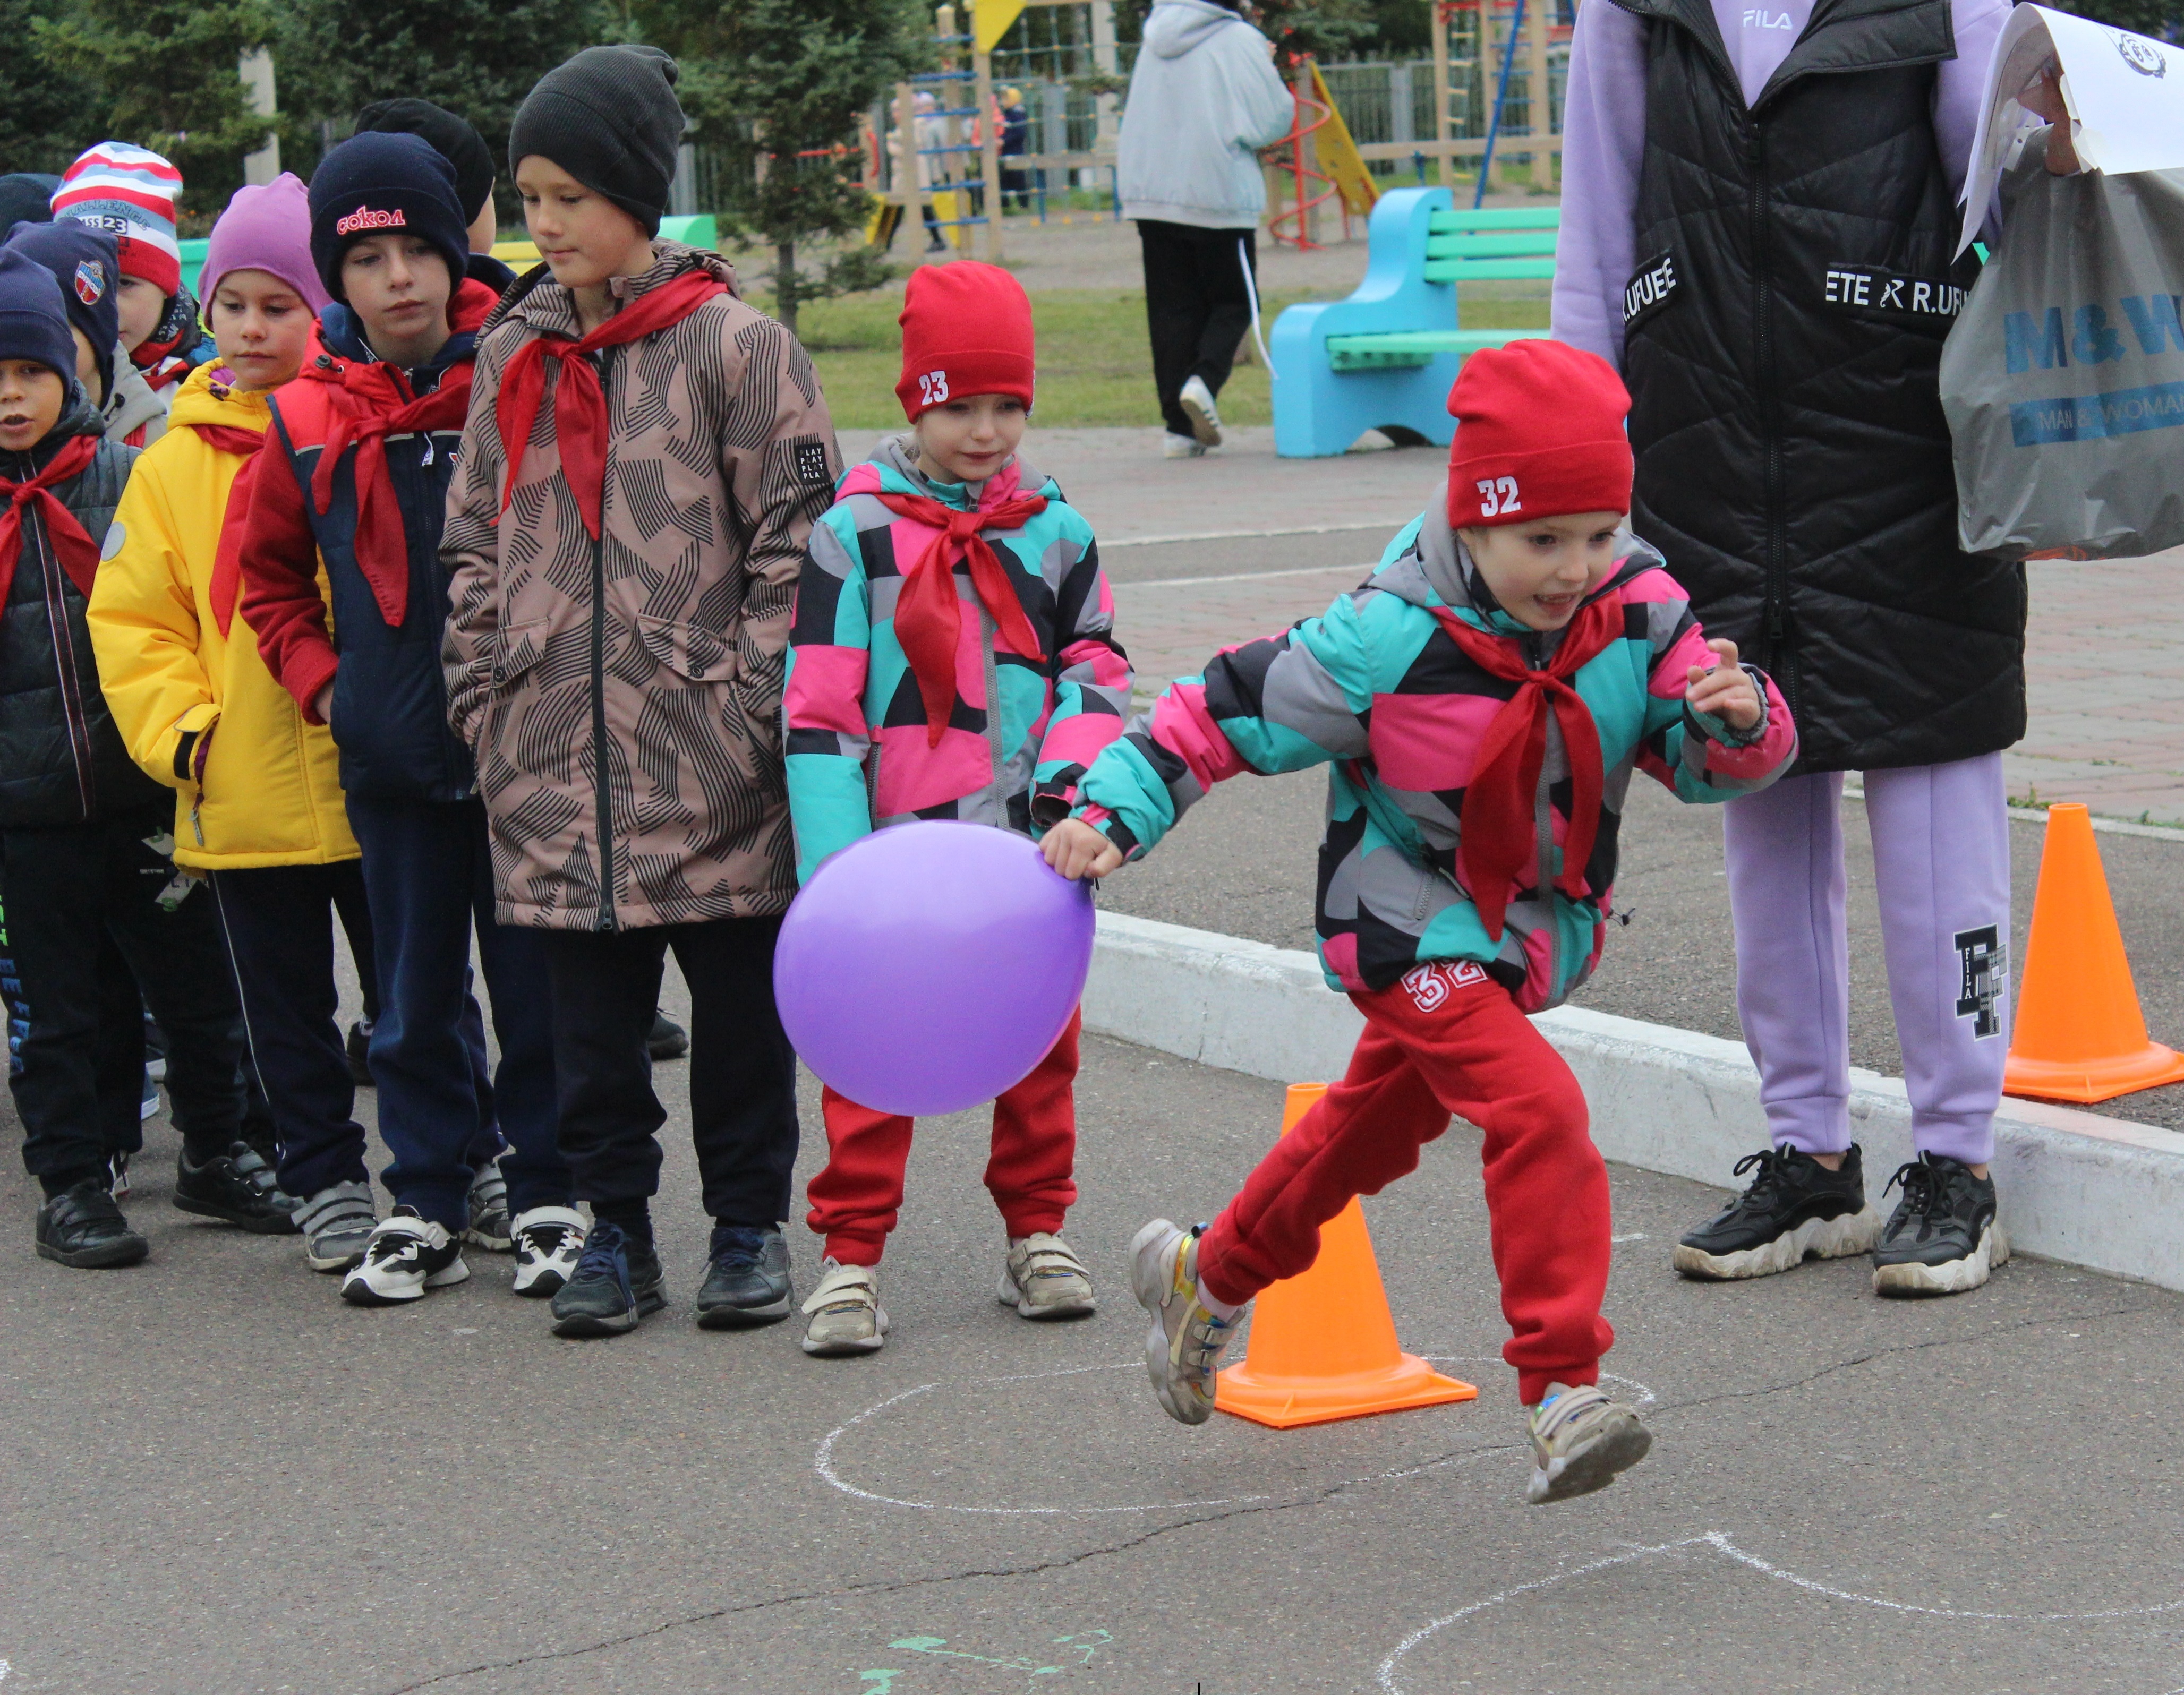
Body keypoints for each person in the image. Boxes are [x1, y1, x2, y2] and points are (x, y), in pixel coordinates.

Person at [1045, 341, 1800, 1502]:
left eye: (1597, 534)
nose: (1573, 569)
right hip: (1401, 920)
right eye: (1541, 541)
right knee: (1538, 1108)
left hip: (1523, 929)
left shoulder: (1640, 610)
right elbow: (1223, 711)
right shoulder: (1384, 637)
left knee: (1370, 1130)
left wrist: (1741, 720)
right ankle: (1560, 1392)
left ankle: (1208, 1273)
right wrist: (1114, 810)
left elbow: (1700, 763)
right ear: (1473, 516)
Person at [1554, 0, 2023, 1297]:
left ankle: (1955, 1163)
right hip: (1705, 445)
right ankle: (1807, 1151)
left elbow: (2010, 206)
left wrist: (2026, 430)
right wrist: (1581, 456)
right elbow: (1594, 233)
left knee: (1933, 790)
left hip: (1903, 454)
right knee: (1753, 786)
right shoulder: (1628, 8)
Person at [442, 44, 841, 1339]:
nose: (543, 222)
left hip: (710, 763)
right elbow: (469, 547)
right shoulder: (512, 357)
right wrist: (487, 699)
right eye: (529, 195)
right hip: (551, 768)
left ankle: (744, 1229)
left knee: (736, 1025)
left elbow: (800, 541)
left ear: (635, 192)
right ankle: (613, 1231)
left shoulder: (737, 349)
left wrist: (750, 699)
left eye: (569, 194)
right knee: (585, 1043)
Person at [237, 132, 577, 1306]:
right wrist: (329, 688)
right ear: (339, 280)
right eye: (367, 257)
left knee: (535, 984)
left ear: (452, 250)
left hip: (519, 753)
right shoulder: (307, 420)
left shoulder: (524, 382)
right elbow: (268, 579)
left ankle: (549, 1192)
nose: (397, 278)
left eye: (415, 249)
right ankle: (426, 1198)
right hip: (389, 760)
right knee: (412, 996)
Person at [783, 262, 1130, 1357]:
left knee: (1040, 1052)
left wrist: (1076, 808)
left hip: (1027, 857)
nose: (984, 431)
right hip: (892, 864)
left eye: (1006, 407)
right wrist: (837, 876)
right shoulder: (854, 536)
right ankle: (850, 1257)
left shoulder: (1058, 534)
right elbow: (821, 706)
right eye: (956, 406)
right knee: (869, 1062)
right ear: (912, 403)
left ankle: (1038, 1231)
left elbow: (1098, 669)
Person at [88, 174, 409, 1278]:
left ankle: (445, 1170)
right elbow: (136, 622)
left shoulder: (363, 425)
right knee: (286, 1015)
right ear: (208, 314)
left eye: (281, 305)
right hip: (245, 790)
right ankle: (324, 1180)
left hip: (377, 773)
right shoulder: (170, 467)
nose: (256, 328)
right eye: (236, 305)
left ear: (321, 311)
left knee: (416, 998)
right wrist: (190, 741)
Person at [0, 247, 287, 1268]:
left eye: (32, 371)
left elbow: (180, 612)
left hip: (148, 793)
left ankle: (218, 1148)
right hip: (26, 812)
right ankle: (74, 1178)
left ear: (77, 366)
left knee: (202, 988)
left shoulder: (129, 476)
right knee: (60, 1009)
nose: (13, 397)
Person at [1115, 0, 1292, 459]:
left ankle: (1179, 429)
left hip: (1152, 192)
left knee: (1172, 310)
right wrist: (1266, 66)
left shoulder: (1156, 37)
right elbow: (1271, 119)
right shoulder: (1239, 40)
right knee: (1233, 301)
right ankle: (1204, 381)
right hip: (1216, 193)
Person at [49, 142, 195, 446]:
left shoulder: (208, 384)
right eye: (85, 285)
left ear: (166, 285)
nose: (105, 306)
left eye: (125, 283)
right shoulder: (30, 380)